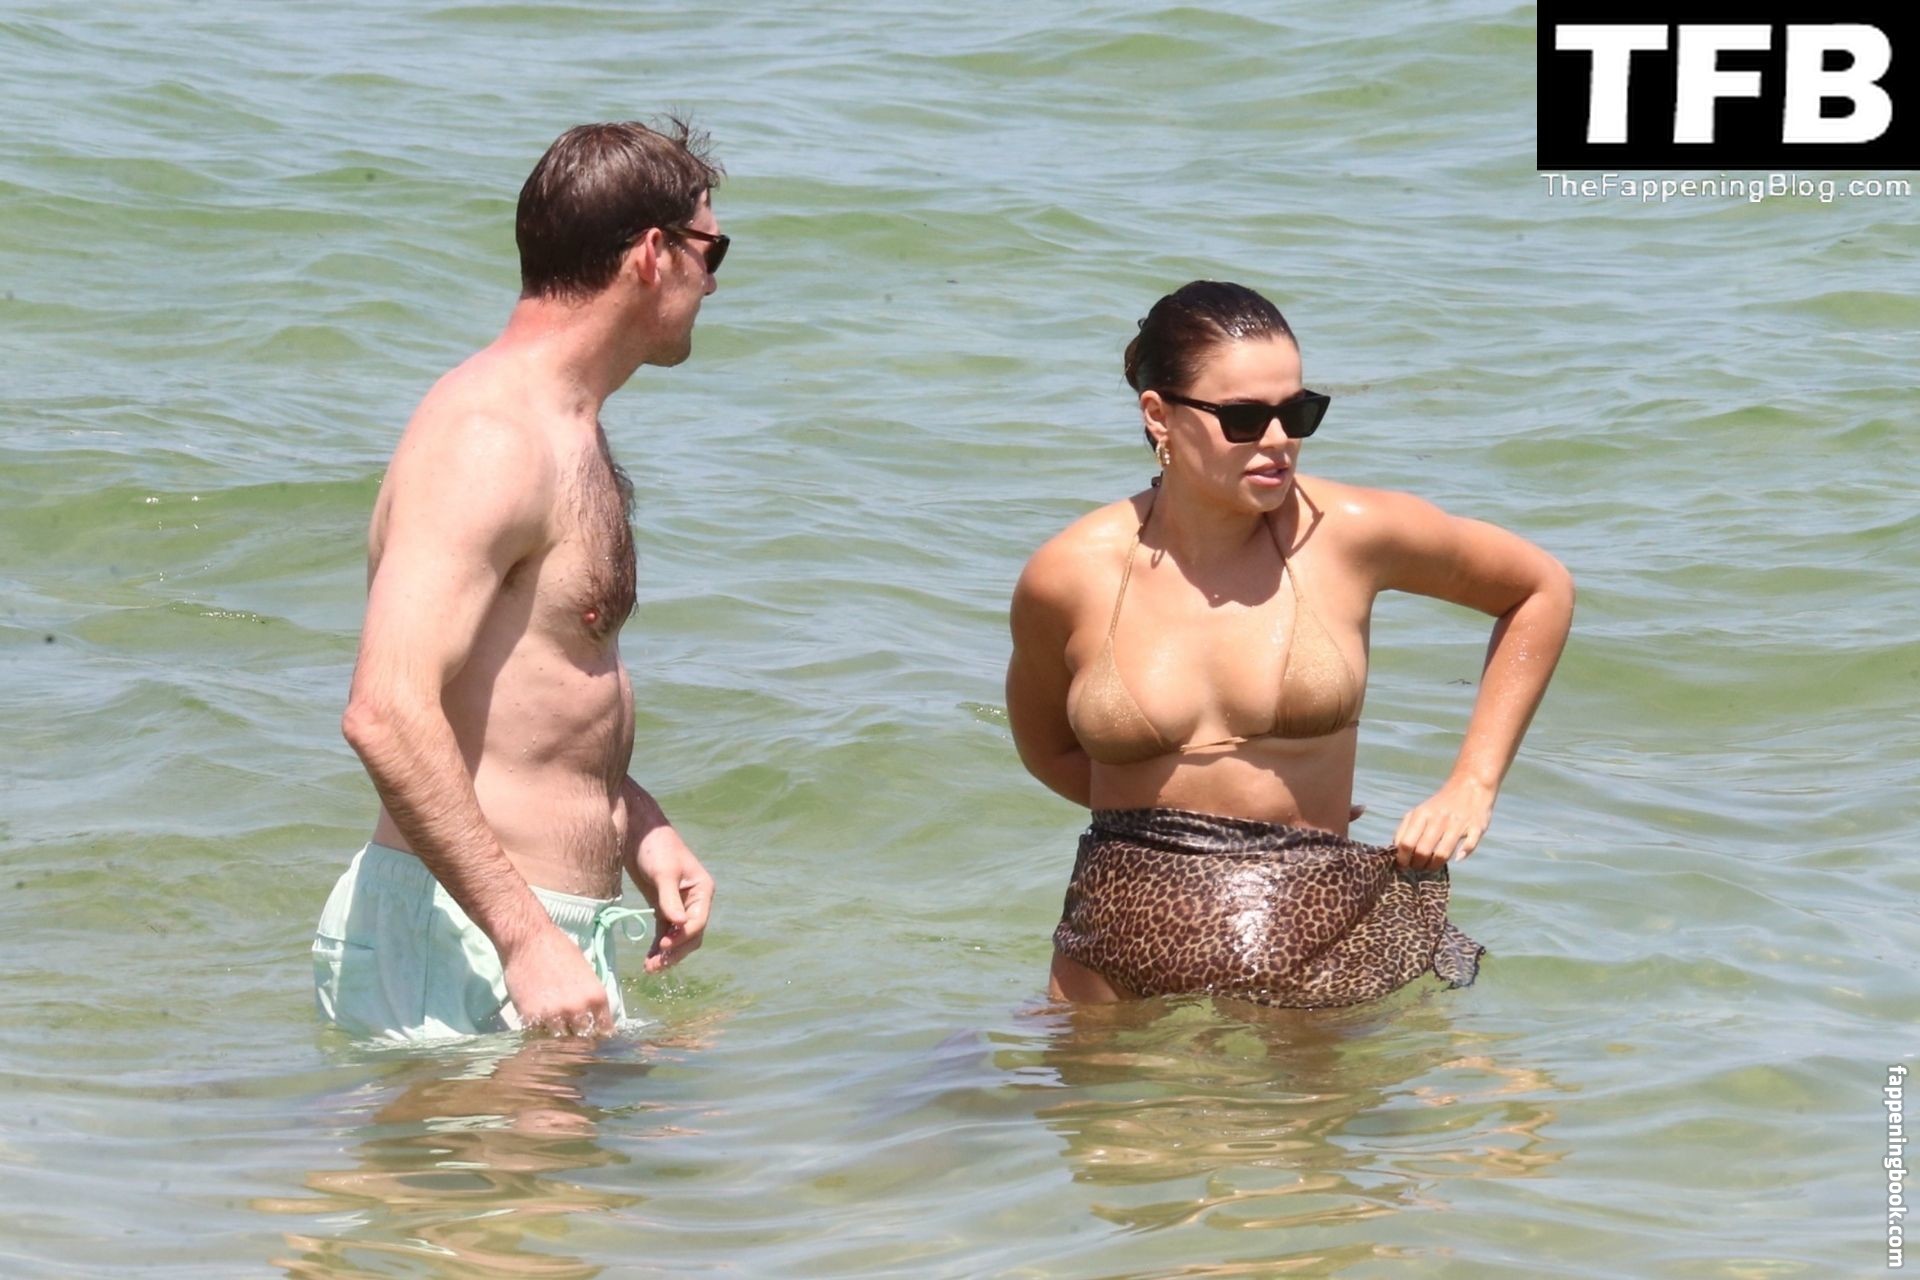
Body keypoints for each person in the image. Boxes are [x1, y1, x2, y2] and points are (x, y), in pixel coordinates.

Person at [1006, 281, 1574, 1007]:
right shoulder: (1068, 573)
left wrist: (1473, 785)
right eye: (1244, 418)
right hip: (1112, 951)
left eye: (1298, 412)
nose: (1278, 440)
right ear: (1159, 415)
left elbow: (1538, 590)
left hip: (1311, 939)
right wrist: (1190, 831)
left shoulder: (1349, 535)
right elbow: (1050, 751)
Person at [312, 120, 725, 1040]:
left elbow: (524, 694)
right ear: (653, 254)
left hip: (518, 934)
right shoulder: (491, 437)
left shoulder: (566, 428)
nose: (713, 282)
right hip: (469, 939)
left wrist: (637, 824)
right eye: (711, 250)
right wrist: (526, 937)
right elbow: (385, 711)